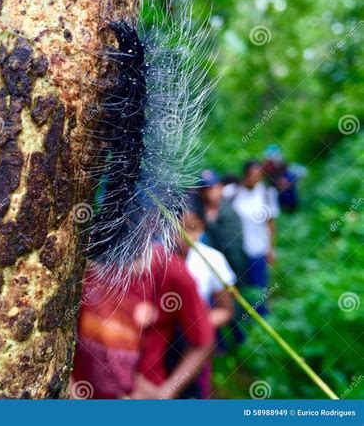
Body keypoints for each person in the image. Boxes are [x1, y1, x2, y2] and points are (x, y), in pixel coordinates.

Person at [71, 243, 215, 399]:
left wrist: (166, 392)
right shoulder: (83, 257)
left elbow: (203, 340)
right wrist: (66, 381)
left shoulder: (171, 272)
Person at [166, 202, 236, 399]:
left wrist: (199, 323)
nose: (185, 236)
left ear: (202, 228)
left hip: (195, 342)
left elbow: (226, 310)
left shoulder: (212, 259)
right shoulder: (157, 257)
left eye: (193, 228)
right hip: (161, 341)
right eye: (178, 228)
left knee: (194, 389)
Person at [222, 160, 280, 308]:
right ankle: (242, 317)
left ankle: (261, 317)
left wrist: (272, 248)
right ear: (245, 174)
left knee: (259, 287)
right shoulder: (232, 192)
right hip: (236, 249)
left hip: (258, 247)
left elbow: (271, 223)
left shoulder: (266, 193)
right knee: (239, 285)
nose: (254, 178)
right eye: (251, 175)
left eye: (258, 175)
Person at [196, 170, 246, 282]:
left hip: (226, 269)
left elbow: (232, 246)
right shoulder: (197, 211)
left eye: (214, 188)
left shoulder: (229, 213)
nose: (210, 193)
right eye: (206, 190)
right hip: (202, 270)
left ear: (221, 188)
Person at [262, 145, 299, 213]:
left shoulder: (287, 170)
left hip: (288, 197)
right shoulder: (265, 168)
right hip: (275, 195)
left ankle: (290, 209)